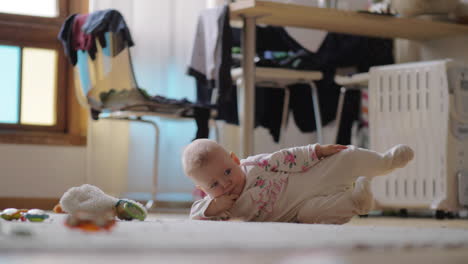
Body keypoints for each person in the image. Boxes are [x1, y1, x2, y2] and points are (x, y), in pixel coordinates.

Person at [182, 139, 414, 224]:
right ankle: (357, 202)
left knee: (345, 156)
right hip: (298, 212)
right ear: (202, 190)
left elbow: (286, 156)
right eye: (213, 185)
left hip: (307, 180)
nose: (225, 185)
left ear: (235, 160)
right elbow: (195, 215)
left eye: (227, 172)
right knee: (316, 215)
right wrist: (213, 207)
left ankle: (385, 162)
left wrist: (316, 151)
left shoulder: (254, 165)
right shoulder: (222, 207)